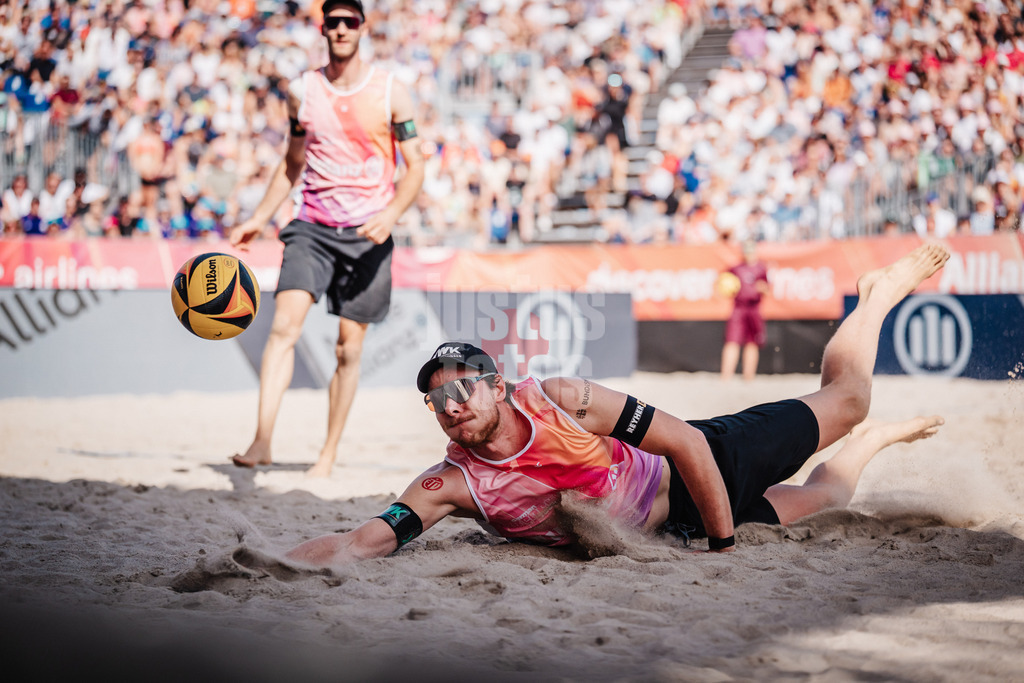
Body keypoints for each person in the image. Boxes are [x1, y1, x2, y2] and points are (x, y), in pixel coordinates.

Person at [281, 244, 951, 565]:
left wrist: (722, 547)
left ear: (499, 384)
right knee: (827, 499)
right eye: (436, 396)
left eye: (462, 385)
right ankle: (870, 446)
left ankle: (876, 295)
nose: (450, 402)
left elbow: (685, 441)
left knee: (851, 398)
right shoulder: (450, 483)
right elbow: (361, 537)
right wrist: (279, 563)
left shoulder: (561, 400)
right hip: (670, 533)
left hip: (705, 465)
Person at [228, 0, 425, 477]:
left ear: (361, 27)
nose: (340, 28)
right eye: (332, 22)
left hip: (367, 234)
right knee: (282, 329)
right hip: (312, 227)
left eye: (349, 21)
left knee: (347, 349)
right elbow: (292, 162)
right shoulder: (302, 91)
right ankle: (262, 440)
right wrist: (259, 217)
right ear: (323, 29)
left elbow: (417, 166)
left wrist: (392, 214)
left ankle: (328, 452)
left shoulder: (391, 93)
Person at [720, 239, 770, 382]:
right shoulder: (735, 269)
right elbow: (722, 285)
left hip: (754, 309)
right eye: (746, 250)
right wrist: (725, 289)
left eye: (751, 250)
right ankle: (725, 377)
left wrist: (762, 288)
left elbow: (767, 289)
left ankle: (748, 377)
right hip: (739, 308)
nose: (749, 253)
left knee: (752, 342)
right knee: (732, 341)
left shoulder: (762, 269)